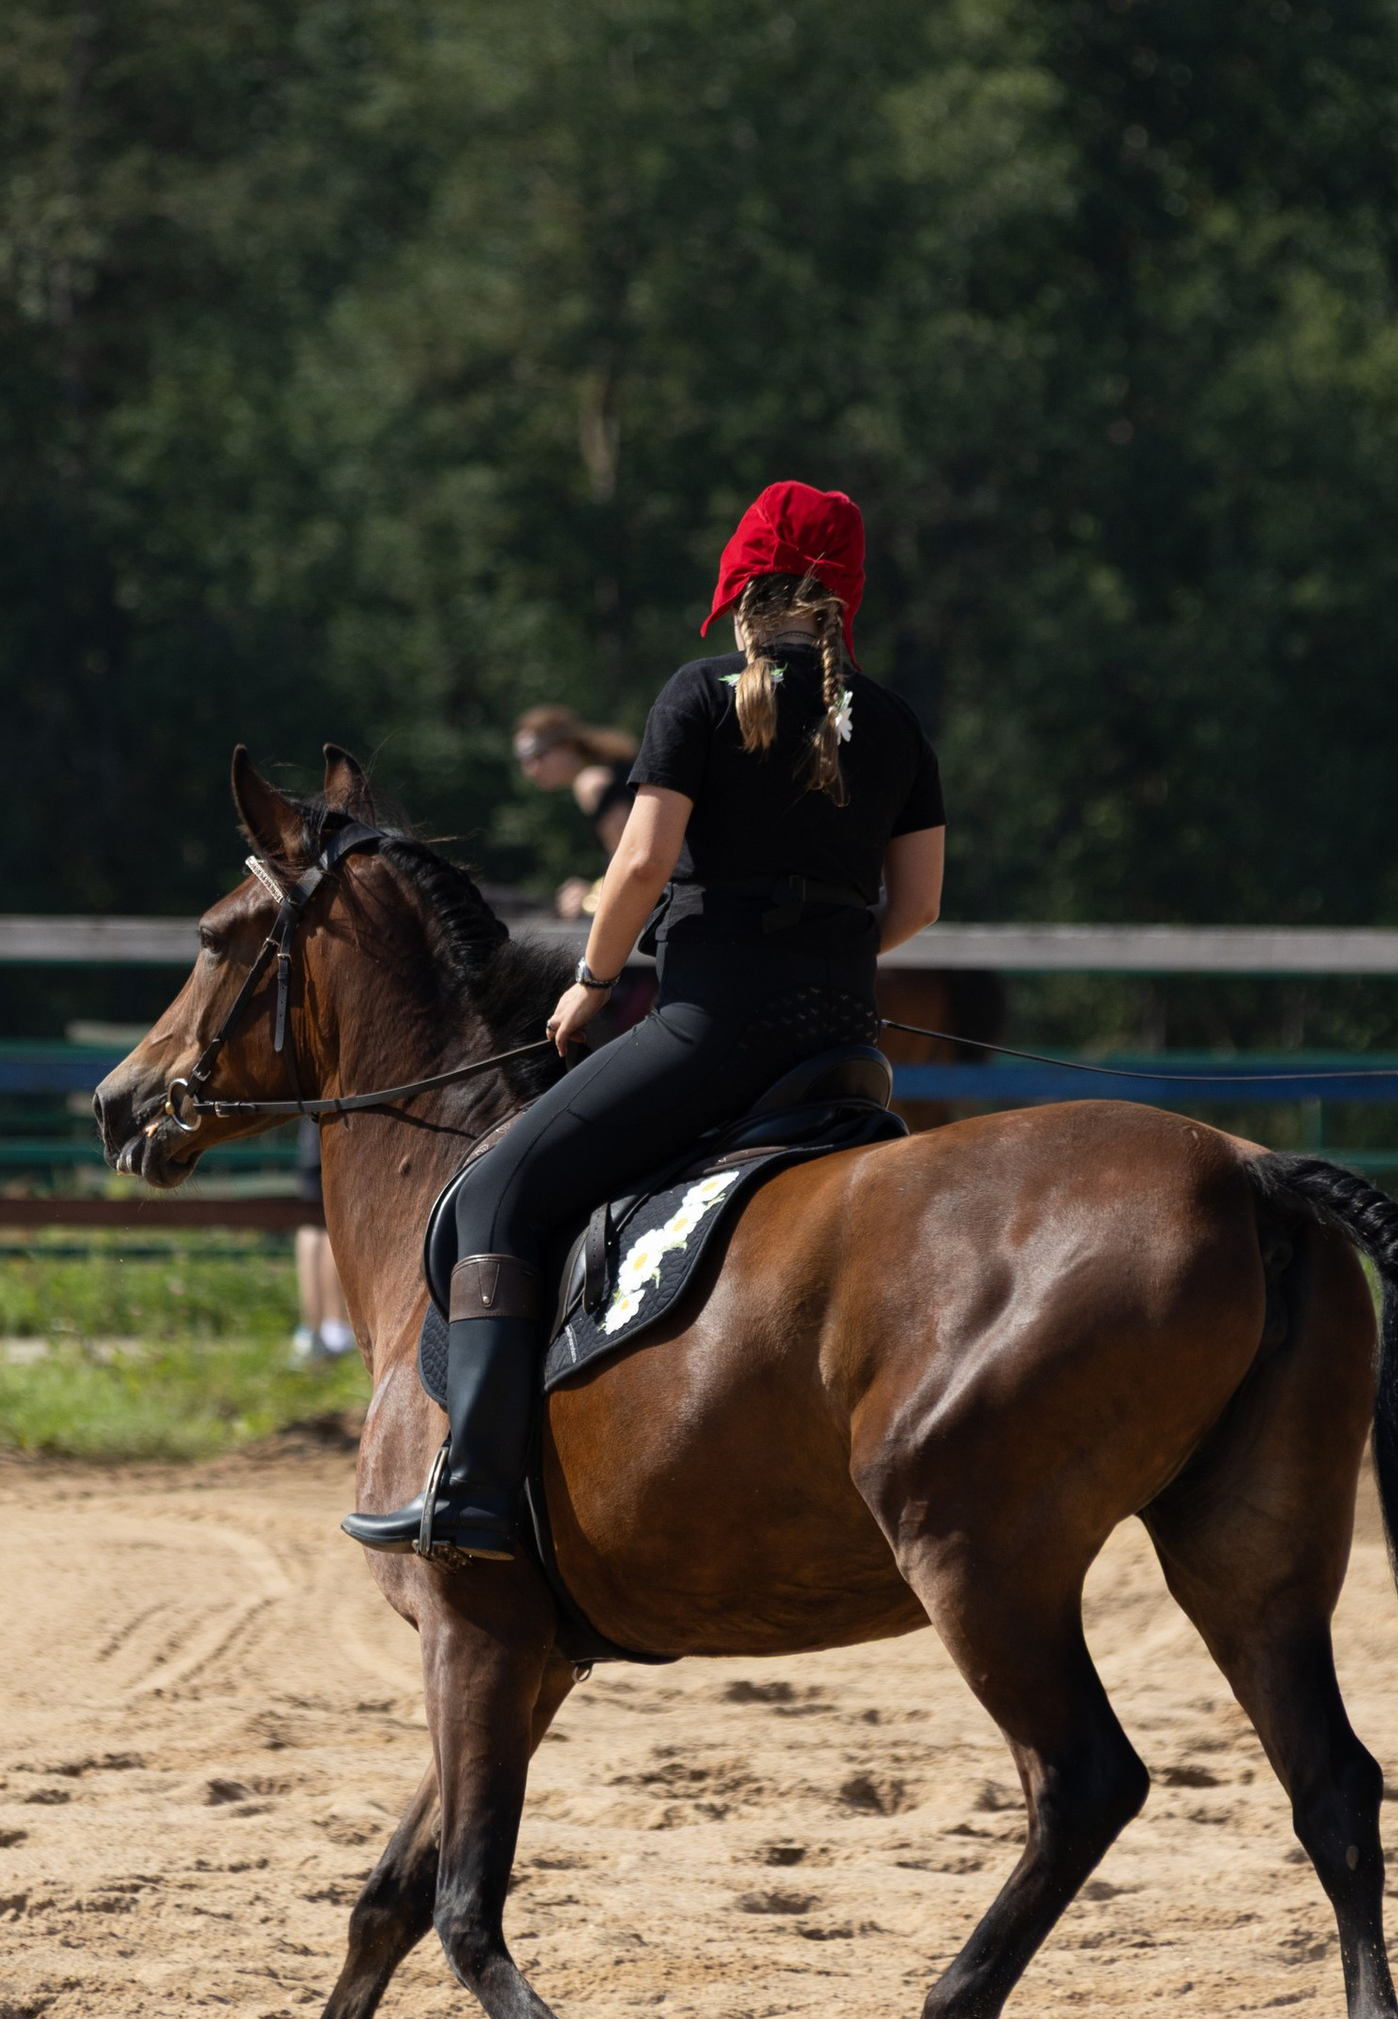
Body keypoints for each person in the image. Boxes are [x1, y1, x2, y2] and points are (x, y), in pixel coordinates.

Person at [344, 480, 945, 1562]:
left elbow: (640, 860)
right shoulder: (894, 723)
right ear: (845, 596)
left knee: (494, 1190)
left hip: (712, 1033)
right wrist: (820, 958)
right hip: (847, 1049)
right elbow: (919, 906)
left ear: (743, 587)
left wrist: (588, 978)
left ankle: (478, 1489)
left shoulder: (697, 697)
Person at [512, 703, 641, 919]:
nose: (530, 769)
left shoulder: (592, 782)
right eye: (523, 759)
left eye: (539, 754)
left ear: (567, 746)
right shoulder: (608, 768)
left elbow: (632, 862)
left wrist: (589, 898)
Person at [289, 1116, 358, 1364]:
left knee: (311, 1223)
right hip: (342, 1119)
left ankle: (311, 1330)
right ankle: (336, 1326)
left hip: (311, 1124)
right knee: (333, 1221)